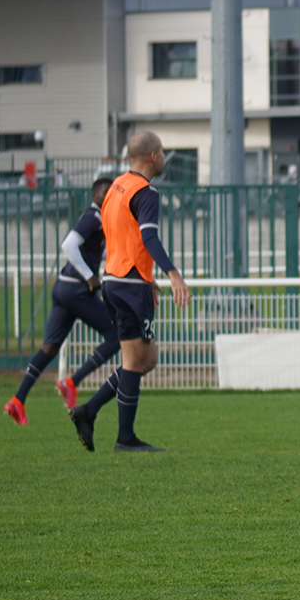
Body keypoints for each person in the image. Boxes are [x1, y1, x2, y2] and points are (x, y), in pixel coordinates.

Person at [69, 131, 192, 453]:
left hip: (115, 280)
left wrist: (144, 274)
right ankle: (125, 438)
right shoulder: (146, 192)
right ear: (153, 156)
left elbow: (118, 234)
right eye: (163, 152)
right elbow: (149, 238)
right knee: (137, 361)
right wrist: (172, 274)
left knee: (144, 358)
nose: (164, 157)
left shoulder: (116, 187)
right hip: (130, 286)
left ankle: (89, 411)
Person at [3, 178, 121, 424]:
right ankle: (72, 382)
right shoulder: (94, 217)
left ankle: (17, 400)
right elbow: (68, 245)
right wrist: (89, 277)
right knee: (116, 336)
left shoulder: (100, 221)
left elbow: (103, 252)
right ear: (100, 195)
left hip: (63, 289)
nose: (114, 198)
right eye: (110, 193)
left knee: (50, 348)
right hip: (77, 291)